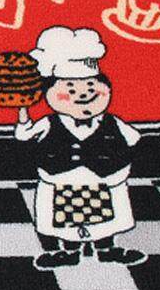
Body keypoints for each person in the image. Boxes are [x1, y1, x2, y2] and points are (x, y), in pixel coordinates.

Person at [14, 25, 147, 270]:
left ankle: (107, 249)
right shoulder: (49, 123)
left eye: (91, 87)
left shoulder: (112, 122)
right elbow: (23, 136)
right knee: (65, 220)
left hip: (104, 179)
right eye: (71, 89)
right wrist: (22, 112)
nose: (82, 95)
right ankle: (69, 251)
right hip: (61, 180)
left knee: (107, 219)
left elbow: (135, 139)